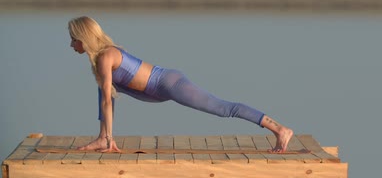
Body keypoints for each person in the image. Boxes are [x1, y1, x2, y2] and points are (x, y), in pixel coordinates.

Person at [68, 16, 293, 153]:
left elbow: (108, 100)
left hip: (169, 83)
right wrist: (104, 138)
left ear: (84, 37)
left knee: (223, 108)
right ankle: (102, 139)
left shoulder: (106, 56)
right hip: (158, 88)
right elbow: (105, 99)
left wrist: (109, 140)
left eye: (73, 38)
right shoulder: (99, 60)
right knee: (103, 92)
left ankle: (280, 129)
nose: (71, 44)